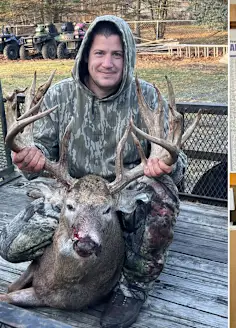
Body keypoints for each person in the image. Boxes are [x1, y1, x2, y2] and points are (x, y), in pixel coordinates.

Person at [0, 15, 186, 328]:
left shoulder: (147, 97)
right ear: (86, 54)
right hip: (71, 193)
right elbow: (42, 150)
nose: (108, 63)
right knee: (11, 245)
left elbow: (174, 161)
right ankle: (64, 259)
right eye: (100, 53)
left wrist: (164, 163)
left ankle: (132, 287)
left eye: (117, 54)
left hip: (121, 193)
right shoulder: (60, 95)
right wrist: (32, 160)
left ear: (128, 57)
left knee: (161, 203)